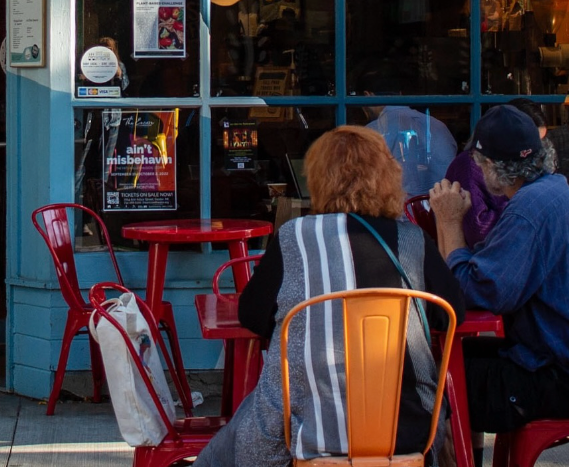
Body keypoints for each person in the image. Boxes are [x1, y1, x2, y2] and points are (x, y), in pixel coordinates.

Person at [194, 126, 465, 467]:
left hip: (306, 435)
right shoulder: (412, 241)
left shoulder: (293, 238)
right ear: (388, 178)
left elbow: (251, 315)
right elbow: (453, 313)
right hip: (410, 435)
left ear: (319, 180)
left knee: (233, 439)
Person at [430, 104, 569, 468]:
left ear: (491, 168)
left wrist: (448, 222)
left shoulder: (528, 210)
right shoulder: (554, 190)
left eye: (479, 163)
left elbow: (476, 292)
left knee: (429, 378)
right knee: (445, 359)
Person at [444, 98, 547, 248]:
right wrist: (525, 210)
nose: (537, 154)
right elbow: (478, 230)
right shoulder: (470, 165)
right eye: (531, 145)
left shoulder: (536, 173)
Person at [366, 103, 458, 197]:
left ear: (369, 96)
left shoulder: (371, 132)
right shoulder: (439, 126)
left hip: (399, 204)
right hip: (445, 201)